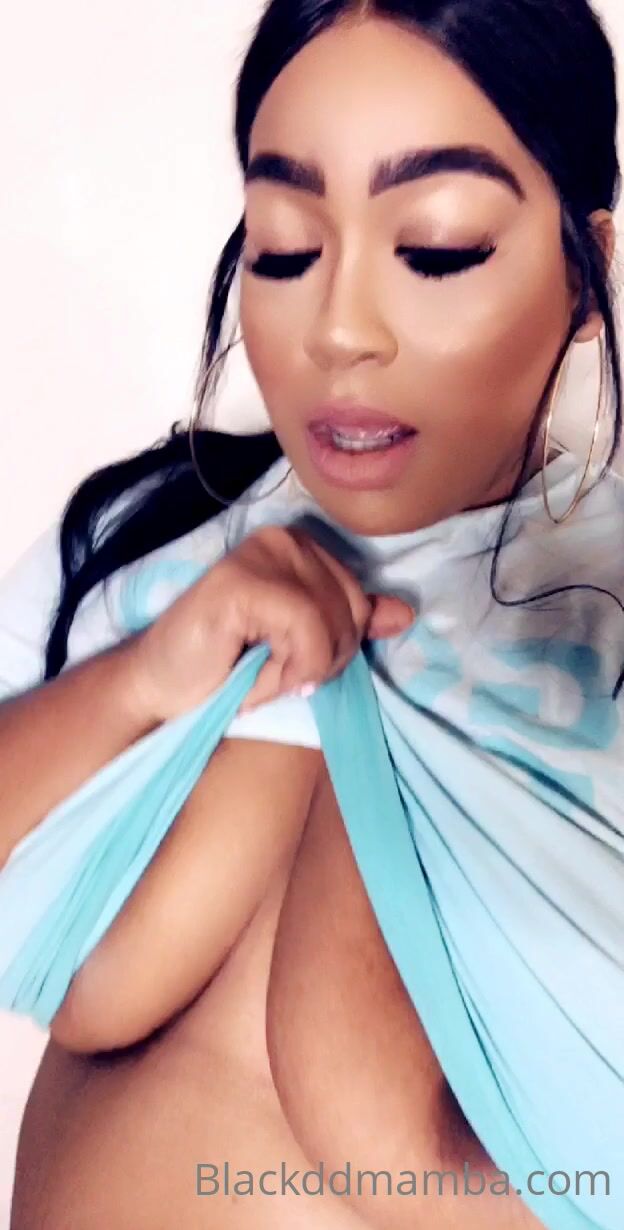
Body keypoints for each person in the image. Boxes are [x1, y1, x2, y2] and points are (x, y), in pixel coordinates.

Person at [3, 0, 623, 1227]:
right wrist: (139, 680)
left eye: (437, 249)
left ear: (586, 267)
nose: (340, 331)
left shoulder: (599, 626)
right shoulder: (148, 536)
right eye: (285, 248)